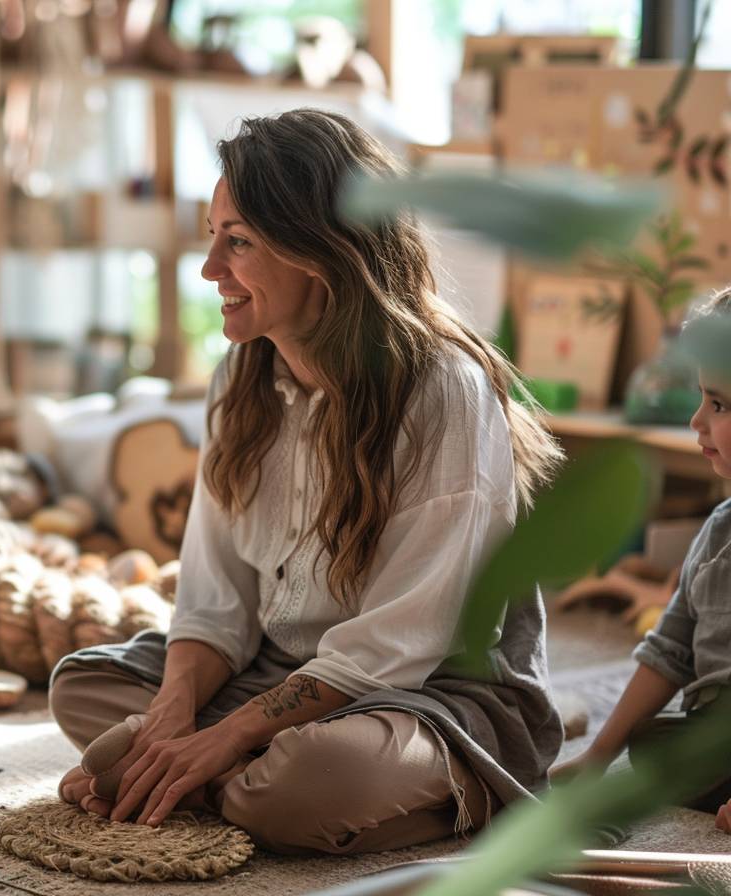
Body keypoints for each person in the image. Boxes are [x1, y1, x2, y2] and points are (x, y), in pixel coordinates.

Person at [49, 108, 566, 854]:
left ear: (320, 251)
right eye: (212, 236)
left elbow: (401, 641)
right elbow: (214, 600)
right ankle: (249, 782)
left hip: (429, 692)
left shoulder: (444, 388)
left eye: (239, 242)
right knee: (82, 687)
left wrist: (223, 736)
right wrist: (173, 715)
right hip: (277, 675)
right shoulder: (239, 376)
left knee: (304, 783)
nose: (210, 270)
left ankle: (444, 788)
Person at [552, 287, 731, 834]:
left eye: (720, 405)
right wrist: (599, 754)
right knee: (649, 742)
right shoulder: (718, 529)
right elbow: (669, 649)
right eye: (703, 398)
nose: (697, 421)